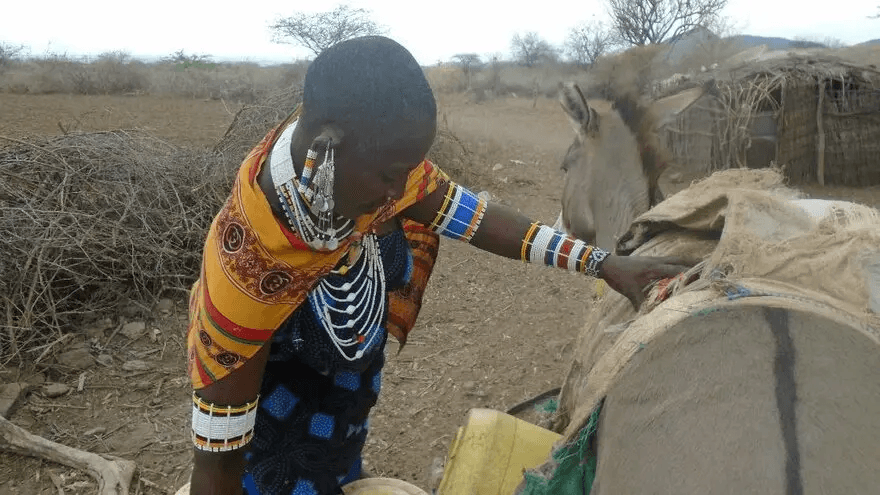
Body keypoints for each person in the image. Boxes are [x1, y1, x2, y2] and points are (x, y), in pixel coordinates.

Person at [185, 36, 692, 495]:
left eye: (407, 173)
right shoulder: (245, 276)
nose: (400, 190)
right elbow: (217, 469)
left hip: (341, 429)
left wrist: (603, 264)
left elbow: (479, 219)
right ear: (327, 141)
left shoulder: (354, 167)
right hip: (272, 464)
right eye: (391, 175)